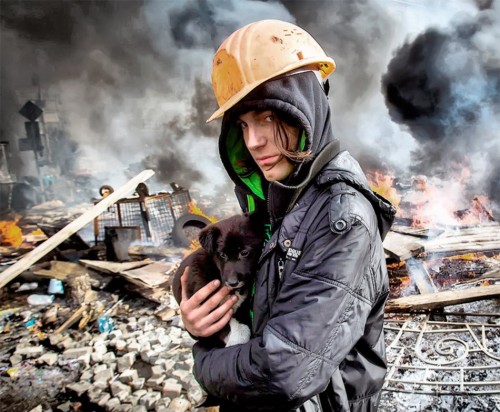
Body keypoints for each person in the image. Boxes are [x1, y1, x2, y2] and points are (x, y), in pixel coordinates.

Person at [179, 19, 396, 412]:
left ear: (304, 108)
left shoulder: (341, 217)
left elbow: (284, 371)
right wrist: (202, 322)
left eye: (268, 117)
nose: (253, 141)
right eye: (243, 124)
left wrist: (203, 360)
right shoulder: (278, 200)